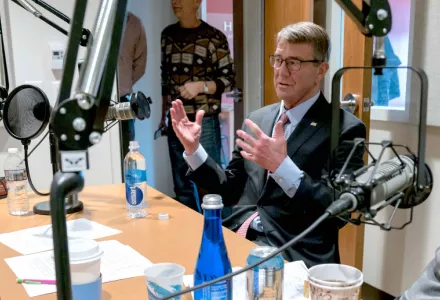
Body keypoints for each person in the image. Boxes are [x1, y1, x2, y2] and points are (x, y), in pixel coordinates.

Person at [170, 22, 366, 267]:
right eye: (278, 60)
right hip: (240, 235)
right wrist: (194, 150)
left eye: (294, 63)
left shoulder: (345, 128)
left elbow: (340, 211)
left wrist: (283, 167)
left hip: (294, 250)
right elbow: (229, 189)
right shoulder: (258, 118)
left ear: (320, 70)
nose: (282, 71)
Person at [160, 0, 235, 212]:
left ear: (196, 2)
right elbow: (165, 78)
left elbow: (229, 80)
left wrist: (200, 86)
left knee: (212, 183)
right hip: (175, 121)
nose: (175, 2)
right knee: (182, 185)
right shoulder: (167, 35)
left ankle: (225, 233)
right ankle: (191, 235)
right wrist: (162, 114)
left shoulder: (214, 37)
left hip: (205, 122)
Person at [118, 11, 147, 157]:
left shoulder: (134, 23)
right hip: (93, 101)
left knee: (126, 154)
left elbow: (140, 66)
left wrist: (123, 84)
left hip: (124, 100)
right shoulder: (92, 17)